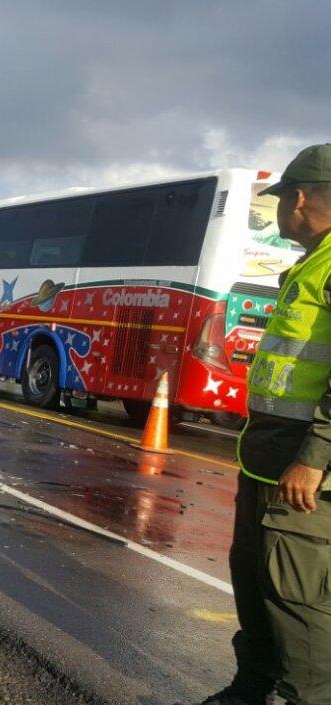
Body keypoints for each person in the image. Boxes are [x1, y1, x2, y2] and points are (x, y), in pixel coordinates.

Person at [209, 143, 331, 705]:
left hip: (305, 468)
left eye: (282, 199)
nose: (281, 210)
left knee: (297, 597)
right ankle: (251, 686)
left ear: (300, 198)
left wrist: (314, 458)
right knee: (255, 576)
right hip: (265, 458)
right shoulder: (309, 264)